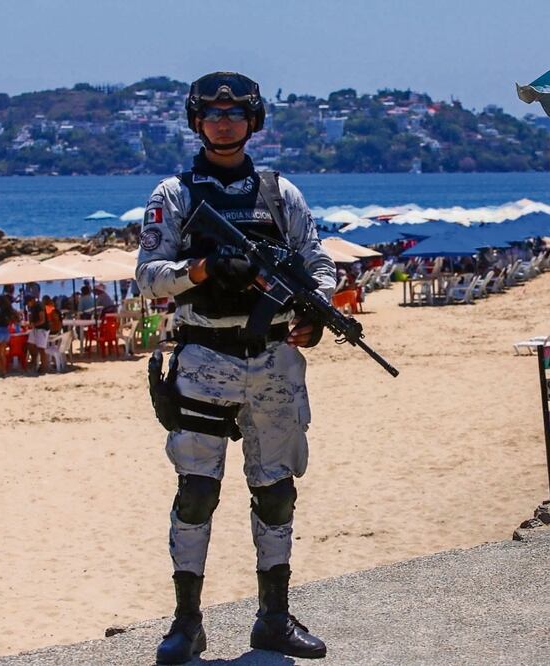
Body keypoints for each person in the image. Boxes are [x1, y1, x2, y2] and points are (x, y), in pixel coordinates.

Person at [136, 71, 336, 664]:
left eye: (236, 112)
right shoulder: (173, 196)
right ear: (197, 120)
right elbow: (148, 278)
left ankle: (273, 617)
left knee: (276, 491)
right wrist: (198, 271)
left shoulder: (279, 193)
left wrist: (314, 312)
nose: (225, 122)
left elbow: (316, 262)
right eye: (214, 113)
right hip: (203, 358)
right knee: (196, 493)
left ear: (254, 120)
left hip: (274, 360)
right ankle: (187, 624)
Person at [24, 294, 50, 374]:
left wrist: (33, 324)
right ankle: (34, 360)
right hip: (35, 329)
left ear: (32, 300)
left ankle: (44, 367)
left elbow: (42, 320)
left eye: (28, 302)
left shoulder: (39, 306)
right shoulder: (32, 307)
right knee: (30, 345)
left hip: (42, 329)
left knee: (41, 349)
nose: (28, 304)